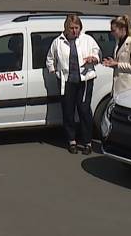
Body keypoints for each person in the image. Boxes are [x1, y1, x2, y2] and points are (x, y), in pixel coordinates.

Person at [46, 14, 101, 155]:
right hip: (67, 81)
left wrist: (93, 59)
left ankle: (87, 142)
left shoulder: (87, 39)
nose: (75, 31)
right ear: (66, 28)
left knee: (84, 110)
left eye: (77, 28)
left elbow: (98, 53)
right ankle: (71, 141)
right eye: (72, 28)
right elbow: (50, 59)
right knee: (68, 111)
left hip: (85, 80)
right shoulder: (57, 42)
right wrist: (53, 71)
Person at [102, 15, 131, 96]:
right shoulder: (118, 42)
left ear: (123, 29)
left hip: (129, 88)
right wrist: (113, 62)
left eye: (114, 31)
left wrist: (117, 64)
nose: (112, 33)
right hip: (118, 88)